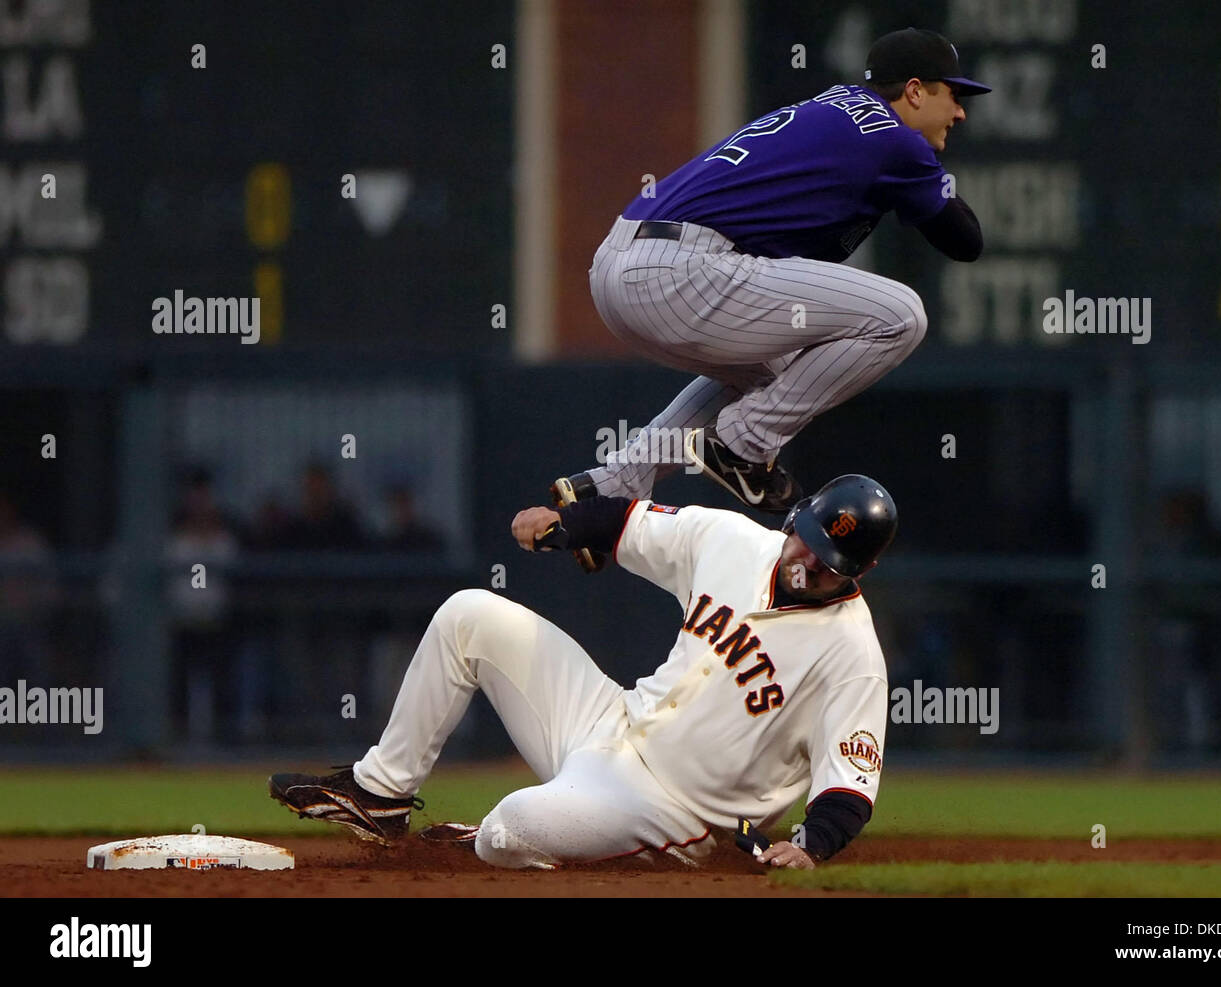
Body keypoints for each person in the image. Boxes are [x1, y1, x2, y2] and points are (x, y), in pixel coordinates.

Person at [269, 474, 898, 871]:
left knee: (510, 829)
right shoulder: (736, 540)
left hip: (670, 810)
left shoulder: (852, 656)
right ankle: (380, 794)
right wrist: (562, 528)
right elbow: (629, 523)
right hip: (612, 721)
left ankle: (506, 839)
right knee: (469, 614)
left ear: (857, 573)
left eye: (826, 564)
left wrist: (811, 845)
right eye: (807, 542)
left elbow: (850, 786)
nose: (806, 562)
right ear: (799, 519)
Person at [551, 27, 986, 573]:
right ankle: (743, 445)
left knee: (779, 370)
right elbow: (965, 240)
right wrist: (915, 192)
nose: (961, 112)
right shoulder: (895, 138)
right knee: (901, 316)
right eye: (954, 94)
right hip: (680, 270)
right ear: (916, 91)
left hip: (622, 262)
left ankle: (611, 485)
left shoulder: (833, 107)